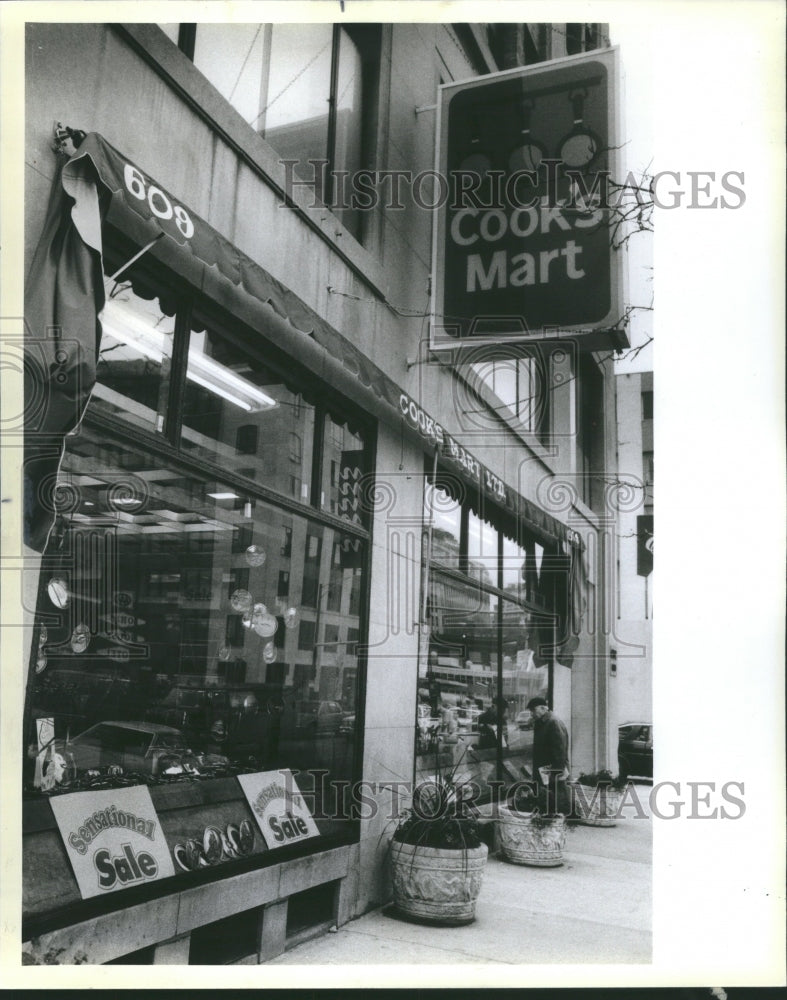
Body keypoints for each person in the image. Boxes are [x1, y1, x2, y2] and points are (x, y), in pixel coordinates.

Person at [526, 696, 571, 814]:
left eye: (533, 710)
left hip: (552, 771)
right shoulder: (543, 722)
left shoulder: (553, 722)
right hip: (545, 770)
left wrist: (556, 773)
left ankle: (559, 824)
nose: (531, 714)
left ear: (543, 708)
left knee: (557, 799)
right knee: (549, 800)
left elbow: (559, 750)